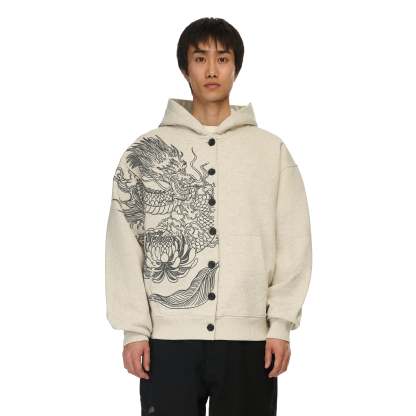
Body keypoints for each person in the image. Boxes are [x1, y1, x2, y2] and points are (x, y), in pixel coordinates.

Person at [105, 17, 312, 416]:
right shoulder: (145, 151)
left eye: (223, 58)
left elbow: (294, 240)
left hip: (250, 340)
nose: (212, 70)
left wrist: (280, 324)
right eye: (200, 58)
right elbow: (124, 243)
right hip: (167, 340)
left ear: (236, 67)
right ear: (185, 68)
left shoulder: (270, 152)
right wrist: (134, 330)